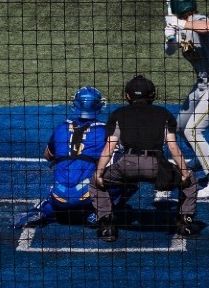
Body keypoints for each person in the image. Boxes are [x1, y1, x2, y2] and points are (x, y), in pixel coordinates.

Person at [90, 74, 200, 242]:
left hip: (126, 165)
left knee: (95, 183)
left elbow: (109, 148)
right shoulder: (164, 114)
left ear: (127, 96)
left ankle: (106, 226)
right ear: (152, 95)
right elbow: (173, 148)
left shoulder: (118, 114)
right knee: (190, 181)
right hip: (156, 166)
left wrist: (98, 174)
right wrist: (184, 172)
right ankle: (185, 223)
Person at [13, 86, 135, 229]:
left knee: (65, 176)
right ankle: (102, 213)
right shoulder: (106, 130)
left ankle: (44, 211)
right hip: (87, 196)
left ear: (75, 104)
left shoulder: (61, 127)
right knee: (131, 169)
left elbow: (48, 155)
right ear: (99, 106)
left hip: (58, 196)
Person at [164, 0, 209, 198]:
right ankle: (203, 157)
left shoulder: (199, 20)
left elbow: (208, 27)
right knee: (180, 126)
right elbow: (170, 51)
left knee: (193, 131)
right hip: (202, 86)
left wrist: (180, 23)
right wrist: (169, 36)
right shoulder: (182, 26)